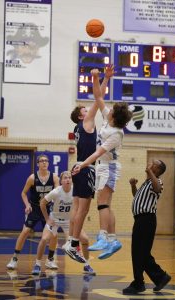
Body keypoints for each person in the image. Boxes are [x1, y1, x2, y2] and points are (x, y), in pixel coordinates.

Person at [72, 68, 132, 260]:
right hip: (104, 167)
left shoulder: (116, 134)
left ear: (115, 116)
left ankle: (103, 237)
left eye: (112, 109)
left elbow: (98, 152)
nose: (109, 108)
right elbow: (98, 97)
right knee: (106, 204)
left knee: (102, 204)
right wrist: (98, 77)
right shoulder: (109, 119)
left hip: (109, 167)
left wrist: (82, 165)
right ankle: (113, 240)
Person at [62, 66, 114, 263]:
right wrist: (101, 78)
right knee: (83, 209)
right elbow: (98, 97)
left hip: (78, 167)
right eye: (85, 110)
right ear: (82, 116)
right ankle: (73, 243)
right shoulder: (87, 122)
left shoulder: (78, 127)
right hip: (86, 168)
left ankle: (70, 241)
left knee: (76, 207)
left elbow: (97, 99)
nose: (88, 110)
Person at [31, 171, 96, 276]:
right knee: (44, 239)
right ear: (61, 181)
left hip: (69, 221)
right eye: (65, 178)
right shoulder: (56, 191)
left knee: (85, 239)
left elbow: (80, 208)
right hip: (55, 219)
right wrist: (47, 219)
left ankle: (87, 264)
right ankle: (37, 264)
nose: (68, 180)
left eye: (69, 177)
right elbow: (42, 203)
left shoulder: (76, 191)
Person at [122, 160, 171, 295]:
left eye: (153, 163)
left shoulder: (157, 181)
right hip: (140, 220)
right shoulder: (147, 182)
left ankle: (140, 283)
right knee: (139, 253)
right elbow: (137, 196)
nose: (150, 163)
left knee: (140, 253)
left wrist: (149, 172)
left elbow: (157, 189)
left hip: (147, 220)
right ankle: (159, 277)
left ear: (158, 169)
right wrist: (133, 186)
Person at [7, 154, 59, 270]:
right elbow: (23, 193)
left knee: (54, 234)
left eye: (46, 161)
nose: (44, 163)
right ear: (38, 164)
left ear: (48, 163)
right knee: (25, 231)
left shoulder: (54, 178)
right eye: (42, 161)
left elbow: (58, 194)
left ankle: (50, 259)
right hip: (35, 208)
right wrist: (27, 204)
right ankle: (14, 258)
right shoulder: (32, 178)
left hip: (48, 209)